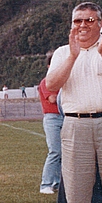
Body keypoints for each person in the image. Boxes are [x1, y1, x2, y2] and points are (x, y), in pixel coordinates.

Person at [46, 2, 102, 203]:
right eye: (77, 21)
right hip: (74, 125)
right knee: (76, 191)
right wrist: (73, 57)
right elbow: (51, 85)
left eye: (89, 20)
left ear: (101, 24)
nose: (82, 26)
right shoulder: (63, 53)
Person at [38, 52, 62, 194]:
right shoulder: (46, 82)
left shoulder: (62, 81)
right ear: (48, 66)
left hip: (64, 117)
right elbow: (52, 99)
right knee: (54, 151)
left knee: (64, 153)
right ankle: (45, 184)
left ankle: (57, 183)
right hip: (52, 118)